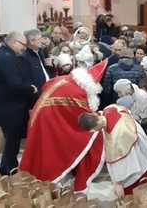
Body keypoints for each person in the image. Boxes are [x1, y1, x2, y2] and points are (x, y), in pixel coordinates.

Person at [20, 60, 108, 191]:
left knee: (40, 148)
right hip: (49, 122)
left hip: (40, 116)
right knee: (90, 135)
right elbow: (83, 115)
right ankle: (49, 177)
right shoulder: (79, 93)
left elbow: (46, 85)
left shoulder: (65, 78)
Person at [0, 31, 38, 175]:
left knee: (12, 142)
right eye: (23, 44)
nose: (24, 47)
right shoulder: (6, 58)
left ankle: (10, 168)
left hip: (6, 104)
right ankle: (6, 171)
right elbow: (14, 83)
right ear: (13, 42)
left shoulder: (5, 54)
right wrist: (31, 88)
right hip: (9, 107)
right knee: (12, 142)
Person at [78, 104, 147, 197]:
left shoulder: (115, 138)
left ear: (92, 130)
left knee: (135, 196)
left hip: (134, 167)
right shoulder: (110, 108)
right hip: (141, 150)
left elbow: (121, 163)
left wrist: (118, 184)